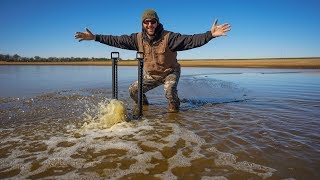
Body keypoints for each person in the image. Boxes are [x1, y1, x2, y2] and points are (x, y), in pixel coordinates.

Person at [75, 9, 231, 113]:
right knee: (133, 91)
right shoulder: (136, 39)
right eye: (146, 22)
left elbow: (190, 40)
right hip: (152, 75)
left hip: (170, 72)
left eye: (153, 22)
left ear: (157, 23)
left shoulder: (170, 37)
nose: (150, 25)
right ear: (143, 23)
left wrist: (210, 34)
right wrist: (95, 37)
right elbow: (116, 40)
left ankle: (174, 111)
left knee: (169, 90)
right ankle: (145, 107)